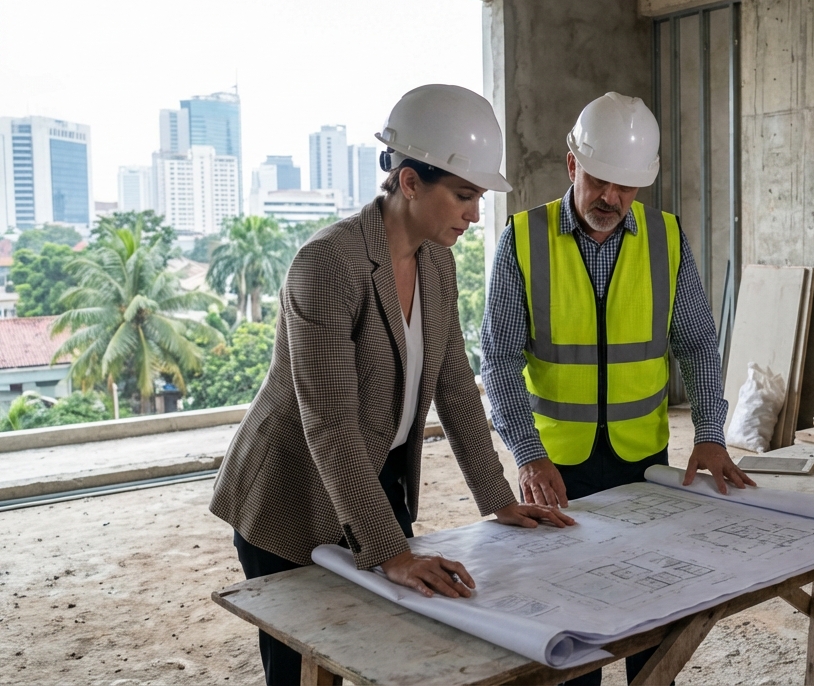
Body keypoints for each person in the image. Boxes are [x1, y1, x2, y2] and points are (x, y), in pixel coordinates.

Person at [210, 85, 574, 686]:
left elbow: (457, 386)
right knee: (303, 663)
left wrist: (498, 499)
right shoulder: (326, 264)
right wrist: (392, 551)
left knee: (386, 649)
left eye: (477, 197)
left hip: (374, 476)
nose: (475, 214)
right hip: (290, 490)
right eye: (462, 196)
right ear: (409, 182)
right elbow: (327, 423)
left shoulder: (437, 259)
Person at [481, 92, 754, 685]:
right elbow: (498, 359)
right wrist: (526, 453)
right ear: (573, 165)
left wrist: (709, 435)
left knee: (650, 612)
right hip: (558, 469)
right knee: (573, 619)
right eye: (601, 181)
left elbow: (698, 344)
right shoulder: (522, 240)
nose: (612, 199)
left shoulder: (666, 237)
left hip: (643, 460)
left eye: (627, 187)